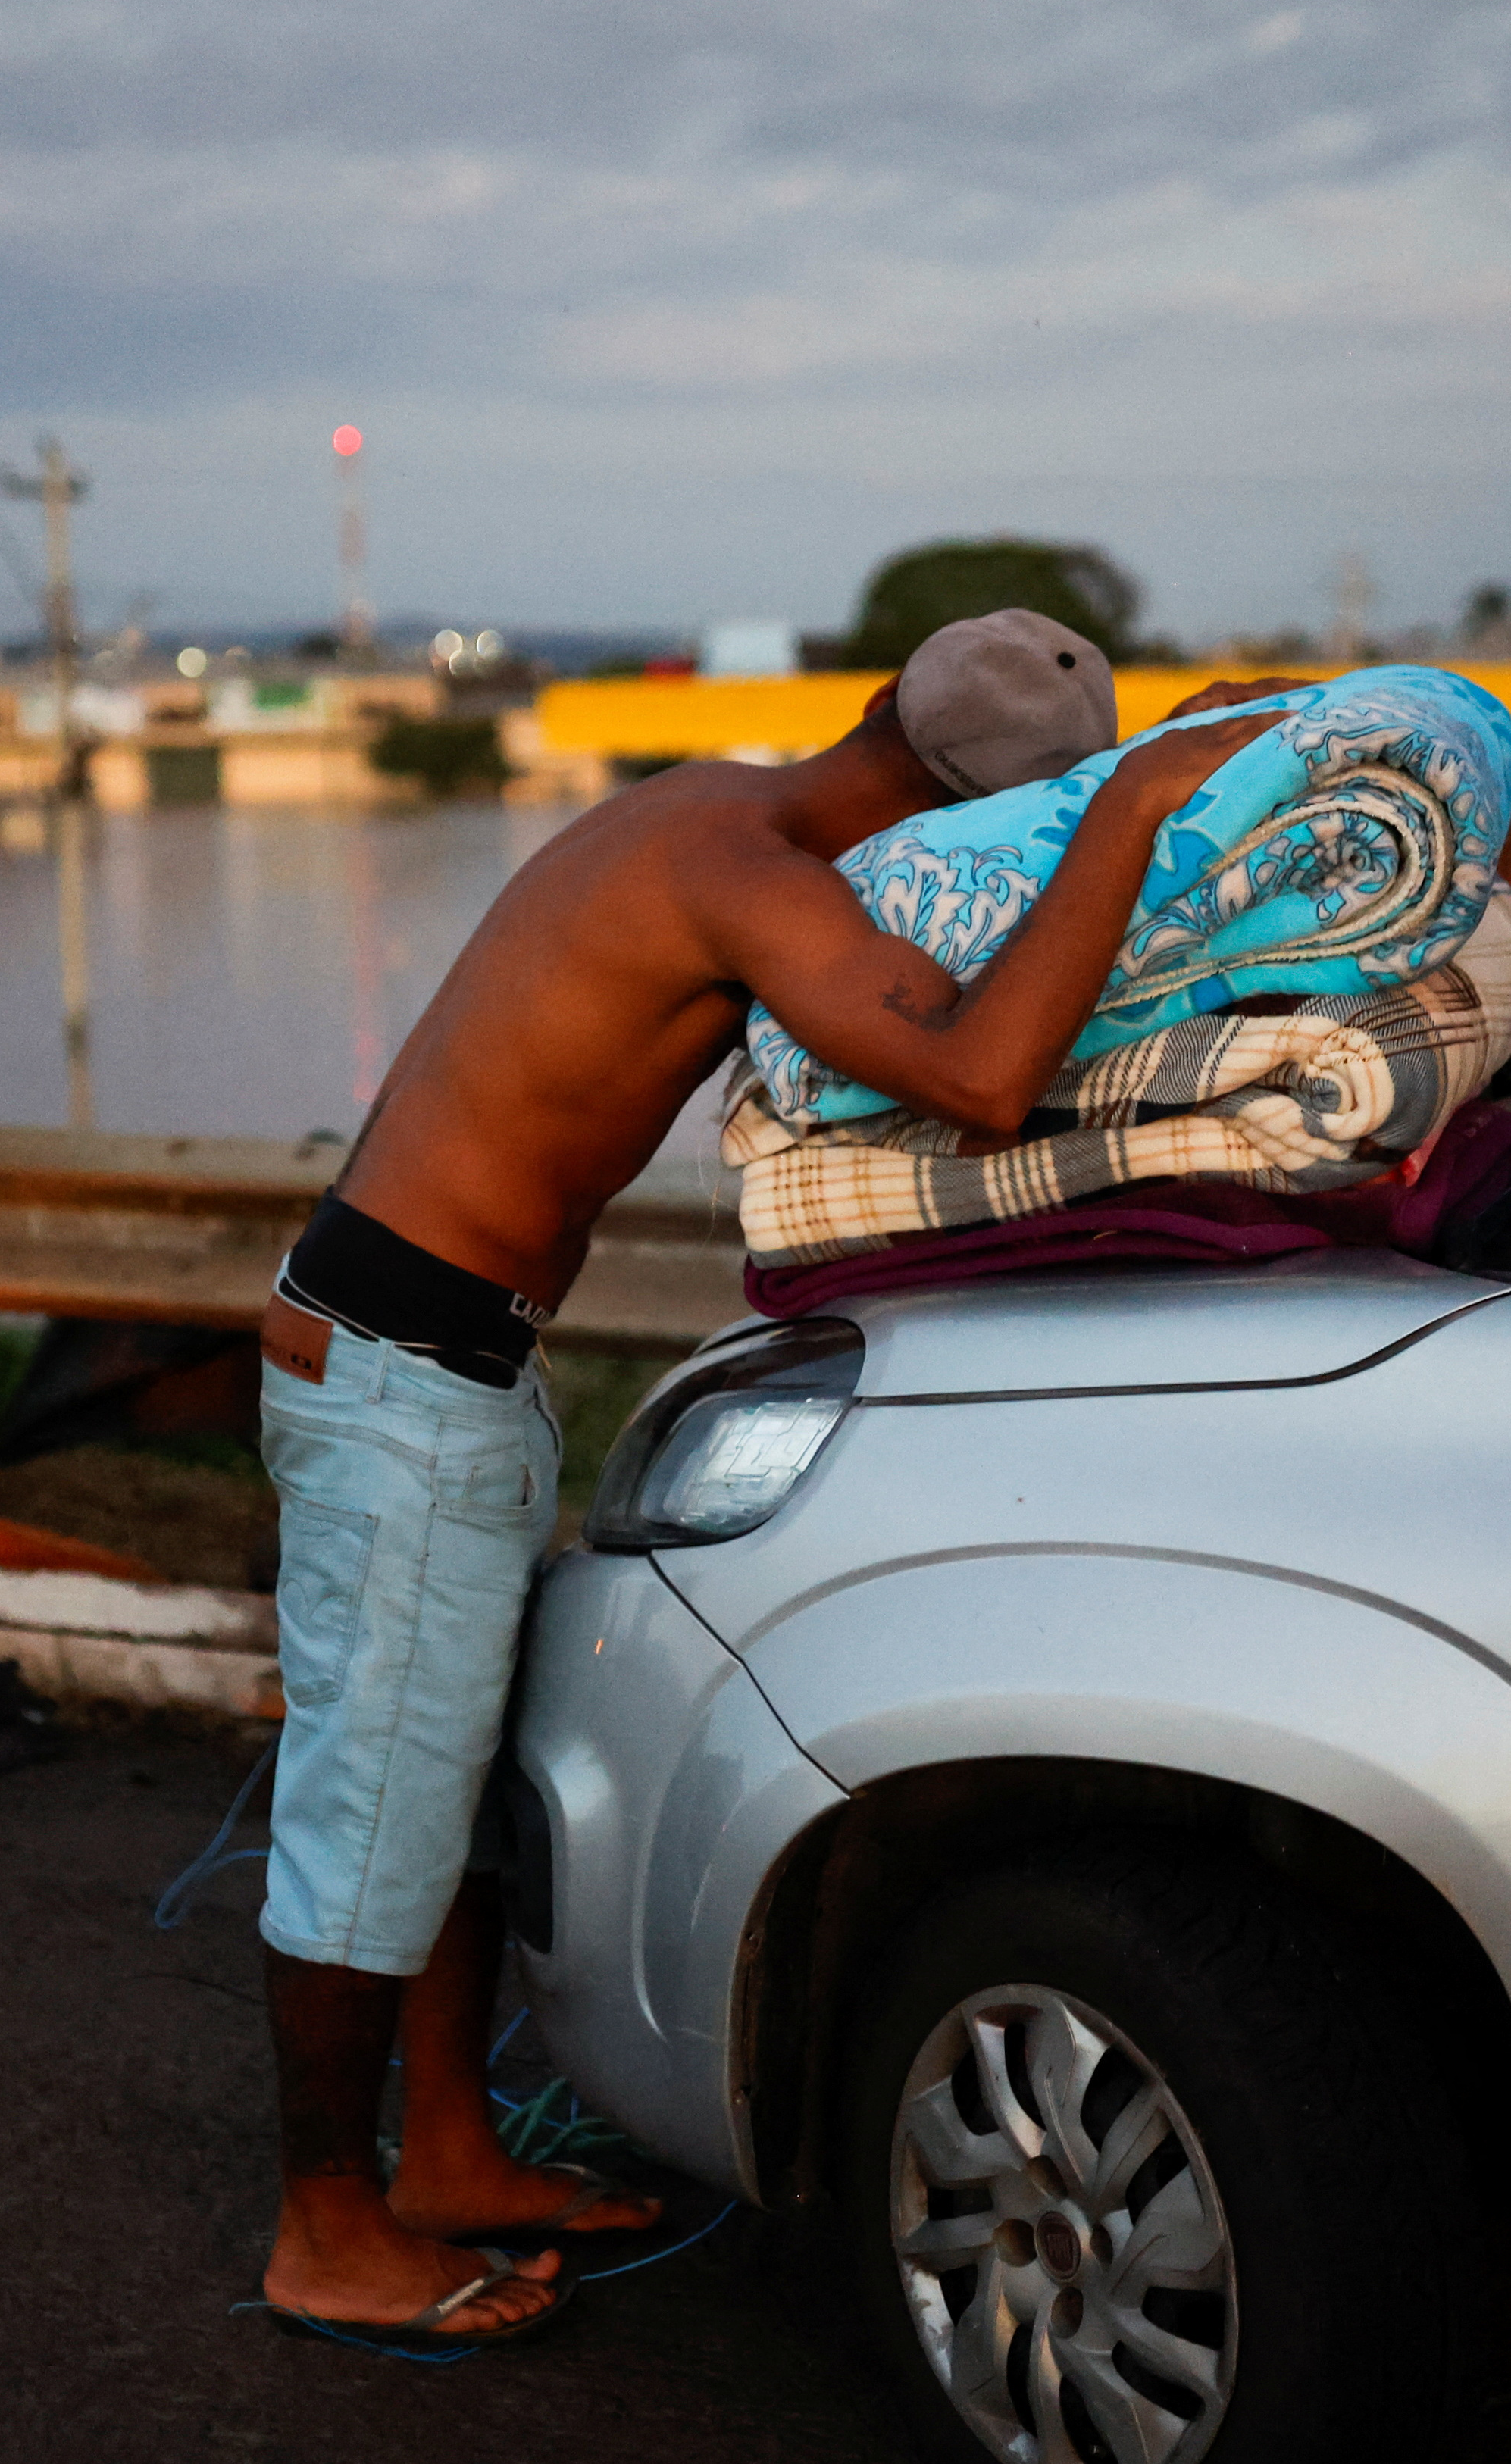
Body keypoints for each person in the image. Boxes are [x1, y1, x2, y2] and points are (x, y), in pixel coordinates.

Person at [253, 611, 1295, 2346]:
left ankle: (440, 2151)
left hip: (437, 1355)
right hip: (394, 1376)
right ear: (970, 818)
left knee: (431, 1789)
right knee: (367, 1815)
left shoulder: (708, 806)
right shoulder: (751, 878)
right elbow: (977, 1077)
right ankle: (323, 2228)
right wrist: (1132, 815)